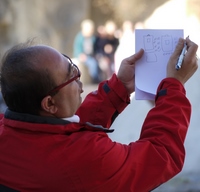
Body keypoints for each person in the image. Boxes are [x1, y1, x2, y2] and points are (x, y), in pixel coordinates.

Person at [0, 37, 198, 192]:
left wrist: (118, 87)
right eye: (71, 74)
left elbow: (60, 135)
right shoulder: (84, 160)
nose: (79, 79)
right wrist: (174, 85)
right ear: (50, 103)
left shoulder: (8, 130)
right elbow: (159, 155)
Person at [73, 19, 100, 83]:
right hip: (83, 56)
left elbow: (95, 48)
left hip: (91, 56)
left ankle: (98, 76)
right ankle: (94, 78)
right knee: (92, 63)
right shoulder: (79, 37)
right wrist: (80, 55)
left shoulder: (92, 38)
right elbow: (77, 48)